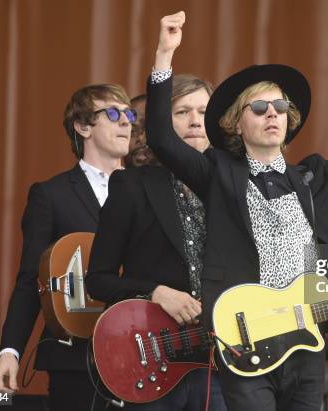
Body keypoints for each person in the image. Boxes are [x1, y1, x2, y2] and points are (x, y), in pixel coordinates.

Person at [145, 11, 328, 410]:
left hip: (306, 337)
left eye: (280, 106)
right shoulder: (218, 173)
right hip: (246, 333)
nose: (272, 113)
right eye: (259, 107)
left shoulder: (315, 177)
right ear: (236, 122)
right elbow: (162, 140)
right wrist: (165, 55)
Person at [86, 76, 226, 410]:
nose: (195, 120)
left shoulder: (230, 188)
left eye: (203, 112)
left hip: (217, 362)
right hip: (153, 359)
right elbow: (98, 280)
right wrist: (156, 293)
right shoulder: (131, 186)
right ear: (161, 123)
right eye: (182, 111)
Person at [0, 84, 134, 411]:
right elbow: (31, 279)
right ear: (83, 127)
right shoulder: (50, 195)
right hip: (75, 355)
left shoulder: (149, 189)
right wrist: (10, 351)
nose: (126, 122)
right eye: (113, 114)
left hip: (143, 350)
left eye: (129, 114)